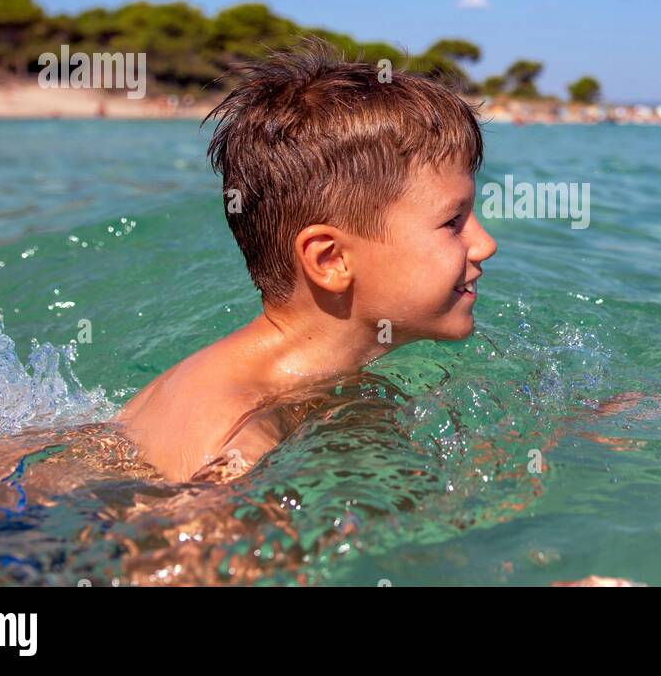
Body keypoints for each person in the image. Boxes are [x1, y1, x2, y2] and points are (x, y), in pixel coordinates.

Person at [113, 40, 498, 481]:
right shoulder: (244, 436)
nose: (485, 244)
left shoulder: (309, 379)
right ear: (330, 259)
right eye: (453, 221)